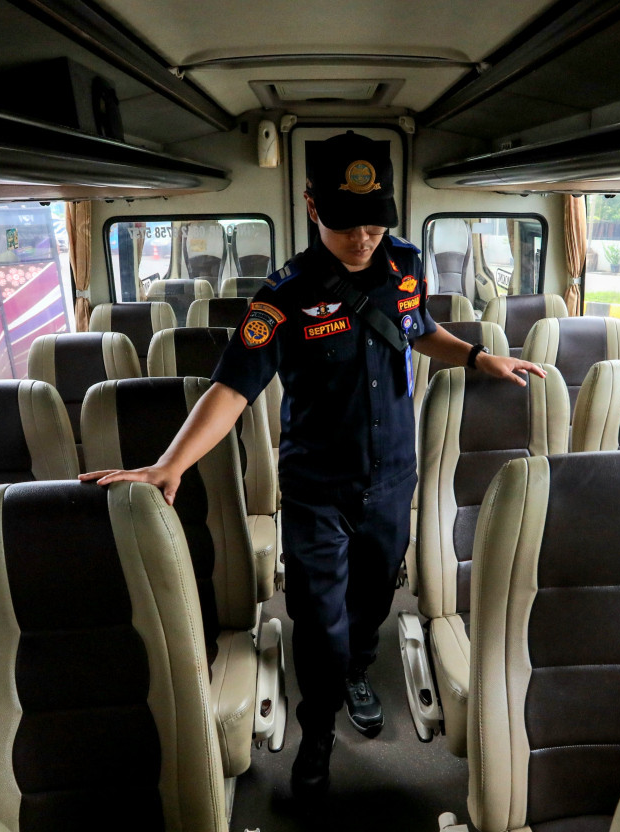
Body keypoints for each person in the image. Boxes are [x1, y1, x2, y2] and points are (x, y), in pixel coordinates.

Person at [81, 132, 544, 796]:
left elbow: (418, 330)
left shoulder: (405, 264)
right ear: (309, 205)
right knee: (318, 619)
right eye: (343, 221)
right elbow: (231, 387)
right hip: (315, 487)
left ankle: (359, 669)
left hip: (391, 477)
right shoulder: (284, 294)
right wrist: (168, 462)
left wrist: (474, 356)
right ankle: (318, 730)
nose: (362, 237)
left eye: (374, 219)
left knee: (374, 599)